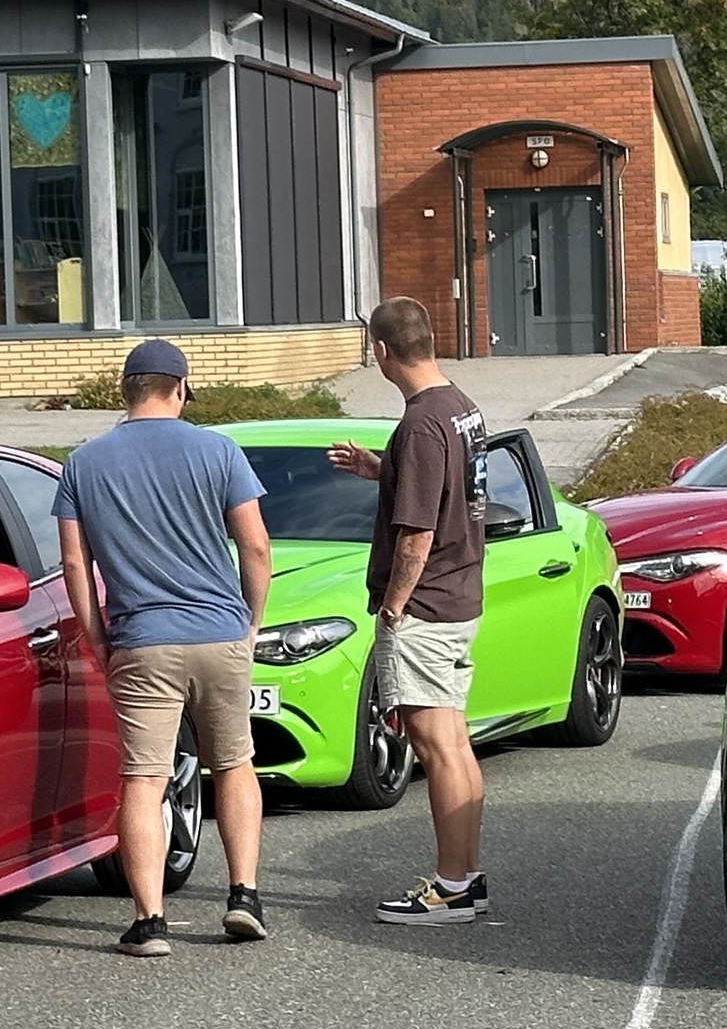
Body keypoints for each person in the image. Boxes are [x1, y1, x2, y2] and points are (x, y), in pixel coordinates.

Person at [53, 339, 275, 958]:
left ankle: (150, 922)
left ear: (126, 391)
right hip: (219, 633)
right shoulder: (219, 450)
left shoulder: (82, 464)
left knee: (144, 780)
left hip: (142, 641)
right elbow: (255, 547)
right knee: (233, 763)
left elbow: (74, 562)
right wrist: (250, 623)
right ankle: (244, 896)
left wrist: (97, 637)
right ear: (179, 389)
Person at [328, 296, 492, 924]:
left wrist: (393, 608)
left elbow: (418, 533)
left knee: (435, 746)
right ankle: (467, 878)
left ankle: (450, 887)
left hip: (425, 606)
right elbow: (447, 489)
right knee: (454, 741)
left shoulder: (422, 423)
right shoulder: (460, 408)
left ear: (381, 351)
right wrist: (382, 470)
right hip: (460, 596)